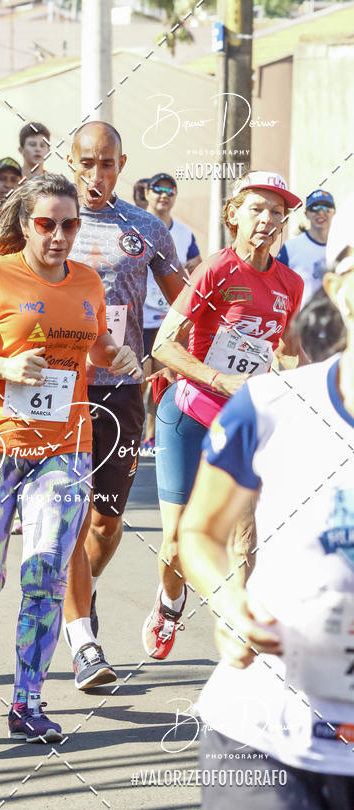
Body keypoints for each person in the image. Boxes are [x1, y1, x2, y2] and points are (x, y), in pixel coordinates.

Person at [0, 173, 140, 741]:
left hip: (65, 444)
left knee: (44, 568)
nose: (60, 235)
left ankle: (27, 702)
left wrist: (113, 356)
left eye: (70, 224)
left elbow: (93, 343)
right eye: (47, 224)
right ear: (25, 225)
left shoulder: (89, 281)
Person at [177, 199, 354, 810]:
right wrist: (229, 604)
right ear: (339, 287)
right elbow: (201, 531)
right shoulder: (272, 406)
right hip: (266, 734)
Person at [142, 170, 307, 662]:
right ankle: (170, 604)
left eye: (276, 212)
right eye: (257, 208)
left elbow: (293, 349)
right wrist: (220, 380)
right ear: (234, 213)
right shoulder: (216, 269)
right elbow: (163, 345)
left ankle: (238, 630)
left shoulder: (289, 282)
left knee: (245, 535)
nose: (267, 219)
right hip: (189, 411)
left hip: (244, 421)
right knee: (174, 541)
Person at [63, 121, 186, 690]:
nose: (96, 175)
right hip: (56, 389)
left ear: (122, 164)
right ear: (71, 162)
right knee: (65, 511)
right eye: (86, 163)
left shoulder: (145, 228)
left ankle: (81, 596)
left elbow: (189, 302)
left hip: (120, 390)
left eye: (106, 164)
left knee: (107, 521)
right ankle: (81, 632)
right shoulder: (48, 221)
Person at [142, 173, 201, 449]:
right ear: (147, 194)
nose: (164, 194)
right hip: (138, 315)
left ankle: (154, 436)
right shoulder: (134, 224)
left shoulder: (184, 232)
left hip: (170, 315)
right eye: (158, 189)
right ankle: (133, 435)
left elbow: (196, 268)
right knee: (138, 380)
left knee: (164, 378)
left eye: (170, 190)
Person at [277, 190, 336, 307]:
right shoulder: (291, 247)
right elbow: (276, 286)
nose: (320, 212)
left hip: (338, 321)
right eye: (314, 207)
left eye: (326, 207)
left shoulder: (345, 246)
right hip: (303, 321)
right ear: (306, 213)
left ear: (334, 212)